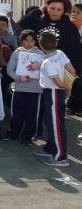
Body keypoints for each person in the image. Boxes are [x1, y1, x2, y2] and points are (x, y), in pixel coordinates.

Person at [19, 0, 82, 115]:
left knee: (55, 104)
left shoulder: (68, 26)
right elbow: (23, 23)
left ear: (64, 11)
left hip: (57, 69)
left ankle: (54, 126)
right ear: (47, 7)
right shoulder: (40, 20)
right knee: (38, 102)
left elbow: (75, 50)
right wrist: (39, 10)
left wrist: (72, 74)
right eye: (52, 8)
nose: (55, 11)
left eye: (59, 9)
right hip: (37, 66)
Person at [35, 31, 76, 167]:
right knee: (53, 123)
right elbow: (72, 71)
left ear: (40, 45)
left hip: (53, 92)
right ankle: (51, 148)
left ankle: (60, 157)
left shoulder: (47, 62)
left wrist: (65, 88)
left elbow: (58, 83)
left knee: (55, 125)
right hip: (56, 92)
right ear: (56, 43)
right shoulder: (60, 53)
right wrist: (69, 87)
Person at [5, 30, 43, 145]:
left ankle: (28, 137)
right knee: (17, 113)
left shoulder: (41, 54)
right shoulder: (16, 53)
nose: (29, 43)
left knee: (32, 114)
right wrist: (18, 78)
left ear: (35, 41)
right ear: (21, 41)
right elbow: (9, 70)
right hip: (20, 88)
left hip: (36, 90)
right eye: (26, 40)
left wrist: (38, 65)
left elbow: (47, 67)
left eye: (32, 40)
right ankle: (14, 133)